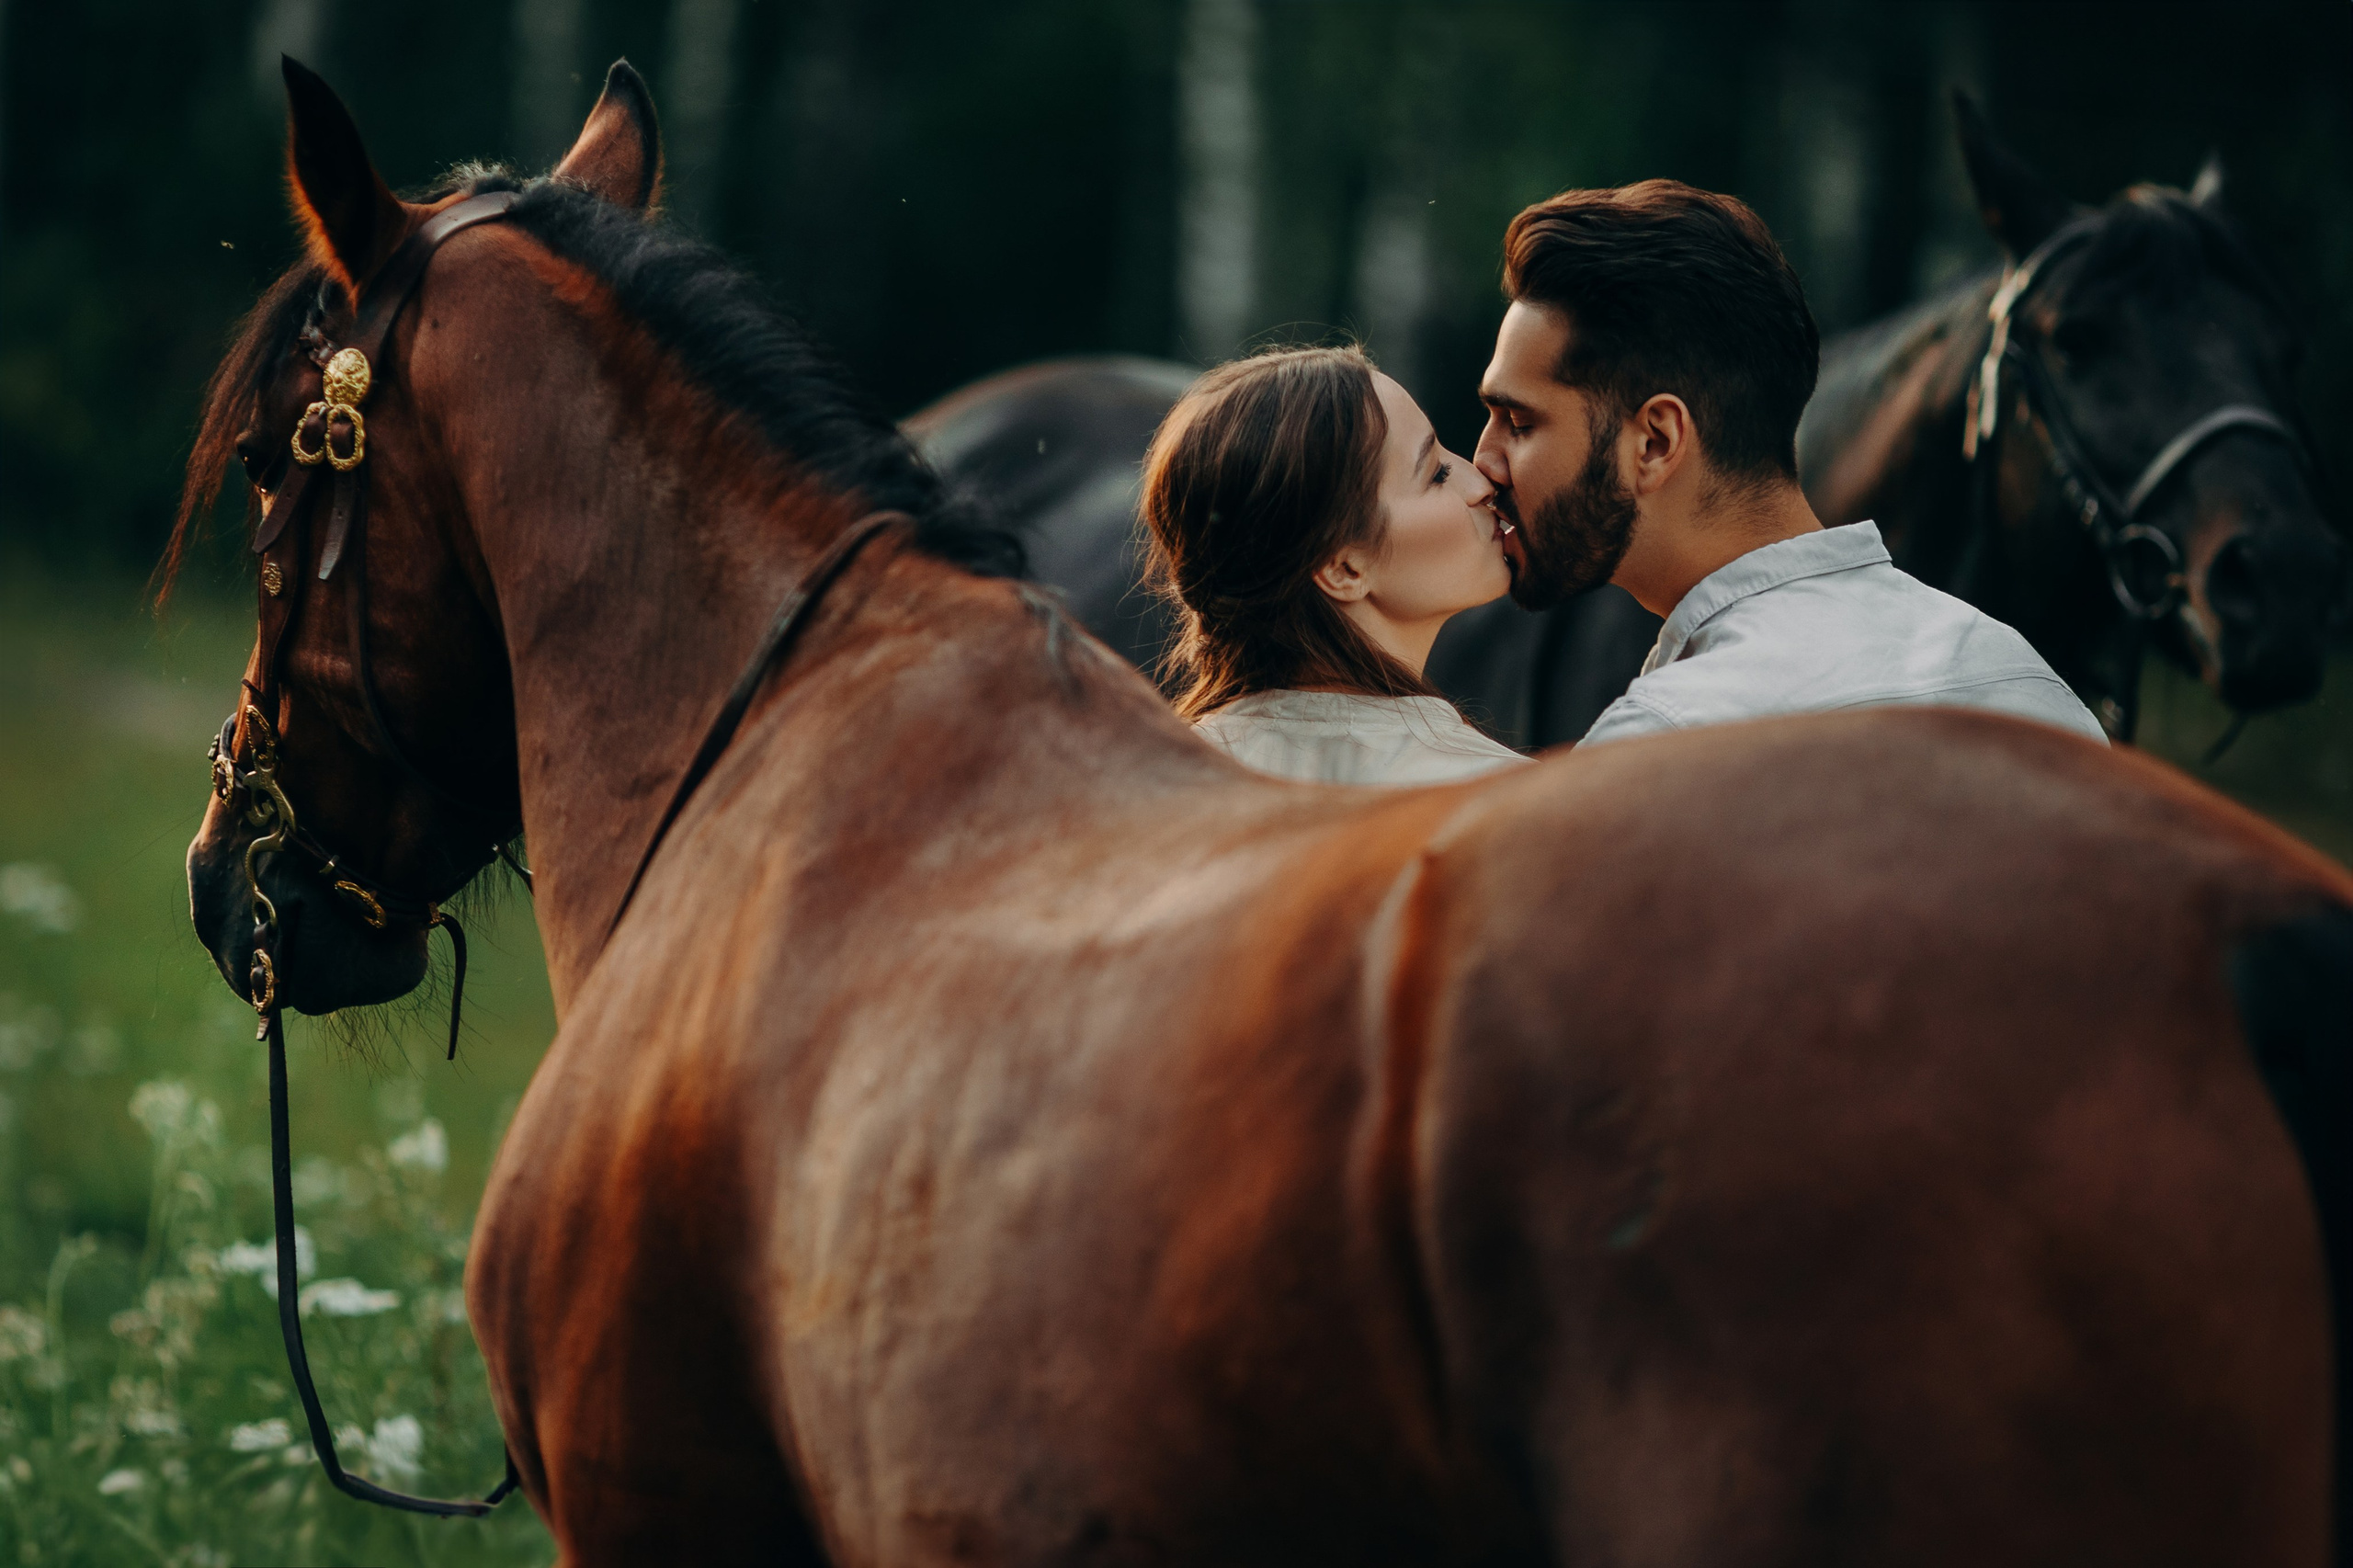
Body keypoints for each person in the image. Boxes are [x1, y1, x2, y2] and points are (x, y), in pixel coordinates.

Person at [1471, 180, 2107, 746]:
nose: (1482, 461)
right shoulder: (2030, 691)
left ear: (1656, 443)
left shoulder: (1658, 747)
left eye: (1519, 423)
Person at [1140, 345, 1531, 785]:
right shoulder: (1504, 795)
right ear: (1342, 569)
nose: (1481, 482)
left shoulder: (1155, 787)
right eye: (1436, 474)